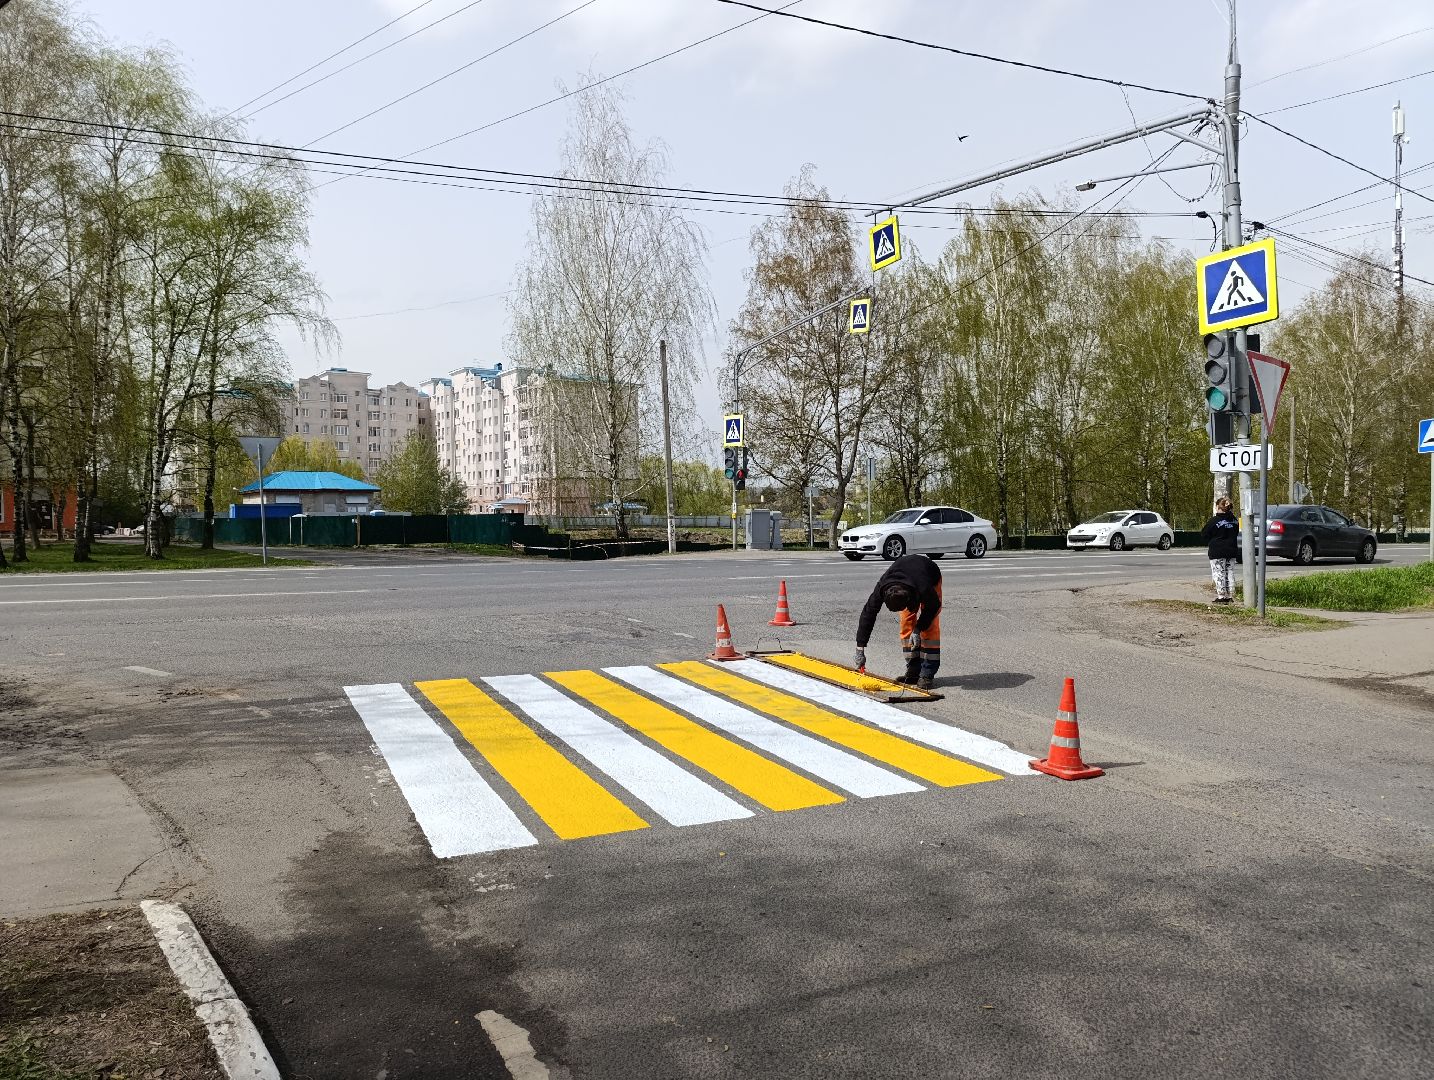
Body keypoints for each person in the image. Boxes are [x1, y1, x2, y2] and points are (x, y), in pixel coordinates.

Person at [853, 554, 942, 689]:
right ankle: (913, 669)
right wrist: (860, 648)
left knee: (929, 628)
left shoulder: (924, 587)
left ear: (908, 598)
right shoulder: (882, 587)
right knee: (906, 622)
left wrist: (918, 629)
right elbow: (868, 614)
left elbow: (933, 606)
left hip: (930, 575)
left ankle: (927, 673)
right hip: (908, 579)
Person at [1201, 496, 1240, 603]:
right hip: (1231, 550)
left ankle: (1221, 597)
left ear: (1218, 506)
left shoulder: (1214, 521)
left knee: (1219, 573)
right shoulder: (1235, 521)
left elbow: (1204, 534)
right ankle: (1231, 596)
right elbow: (1236, 533)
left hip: (1217, 551)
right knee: (1230, 572)